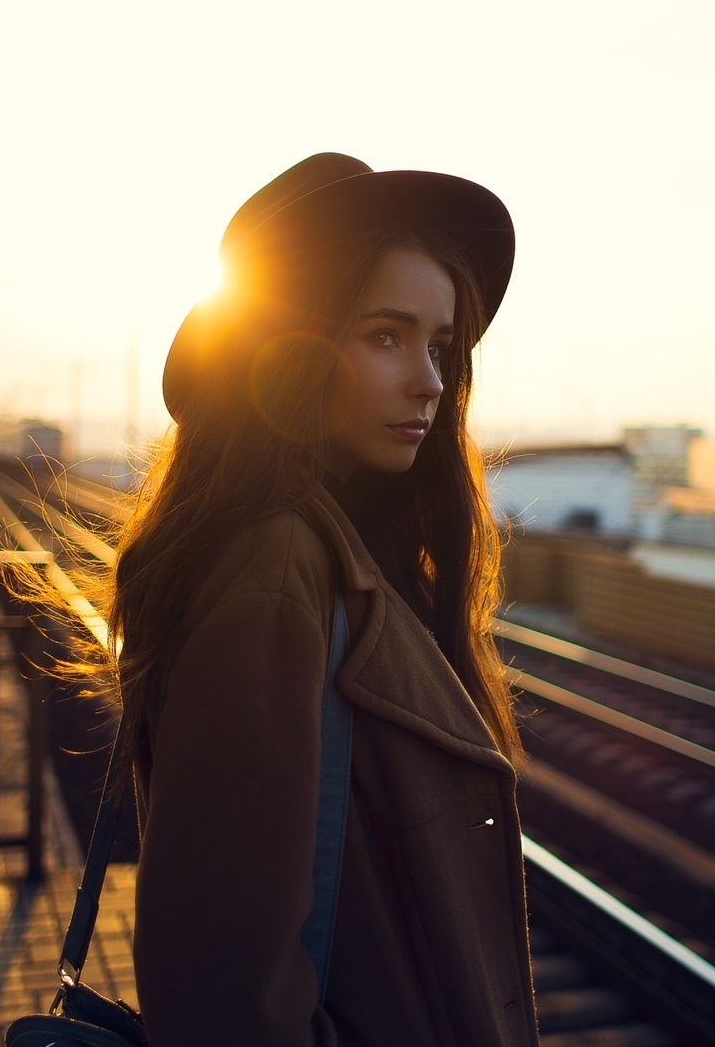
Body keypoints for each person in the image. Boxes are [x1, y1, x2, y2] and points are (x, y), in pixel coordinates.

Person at [110, 153, 538, 1047]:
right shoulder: (273, 574)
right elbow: (224, 997)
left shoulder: (338, 550)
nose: (428, 378)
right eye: (385, 336)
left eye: (439, 344)